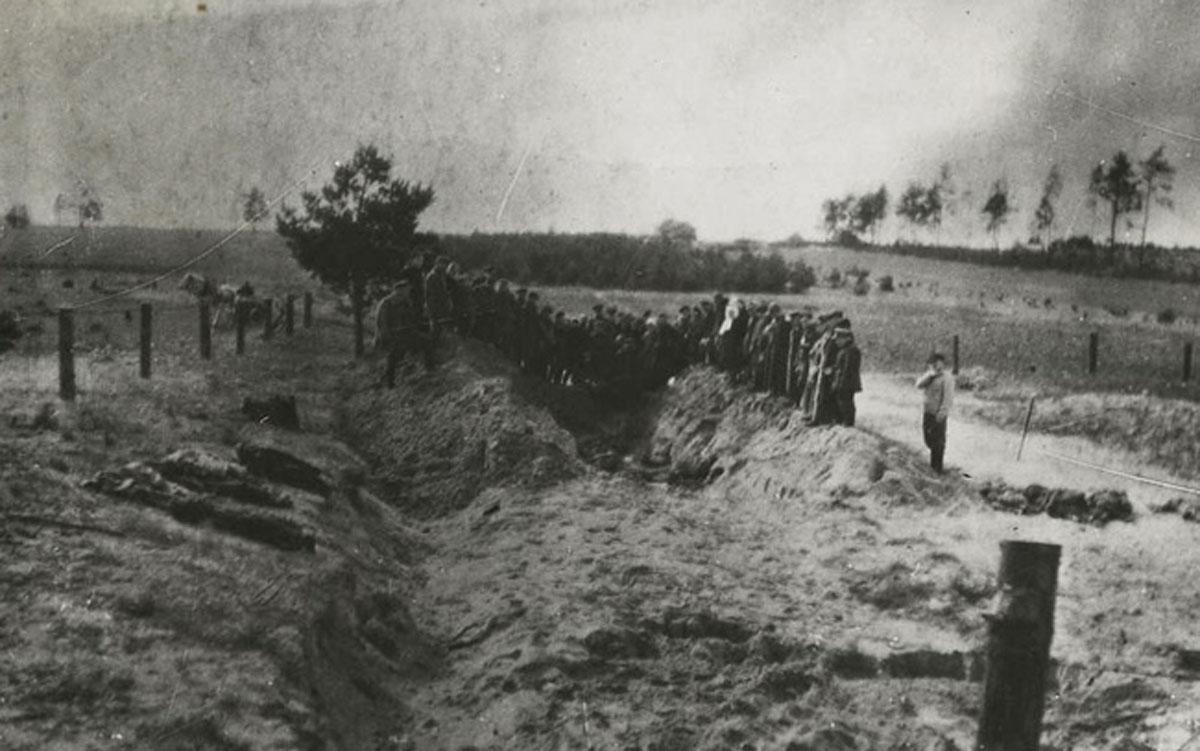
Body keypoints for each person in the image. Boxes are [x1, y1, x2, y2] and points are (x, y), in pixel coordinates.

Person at [916, 352, 954, 473]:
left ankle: (937, 468)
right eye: (933, 363)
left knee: (938, 442)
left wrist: (942, 414)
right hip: (928, 412)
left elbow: (948, 398)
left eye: (939, 363)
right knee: (928, 439)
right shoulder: (930, 376)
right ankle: (935, 465)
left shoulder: (947, 378)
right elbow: (918, 385)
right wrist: (930, 375)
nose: (937, 366)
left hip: (938, 414)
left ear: (943, 364)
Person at [830, 321, 862, 425]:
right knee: (842, 401)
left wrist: (840, 383)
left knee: (846, 402)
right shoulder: (845, 349)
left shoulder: (850, 350)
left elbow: (847, 369)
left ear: (845, 338)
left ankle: (848, 422)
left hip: (846, 382)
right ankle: (844, 421)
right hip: (843, 381)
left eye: (838, 339)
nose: (836, 342)